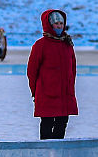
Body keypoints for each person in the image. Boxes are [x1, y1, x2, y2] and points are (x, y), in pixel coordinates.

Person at [27, 9, 78, 140]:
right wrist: (35, 92)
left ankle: (58, 154)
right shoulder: (40, 45)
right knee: (47, 123)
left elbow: (72, 70)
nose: (59, 26)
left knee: (62, 124)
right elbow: (32, 71)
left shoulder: (67, 44)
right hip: (47, 94)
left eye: (61, 23)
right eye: (56, 23)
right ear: (49, 24)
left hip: (65, 94)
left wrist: (70, 89)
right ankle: (45, 154)